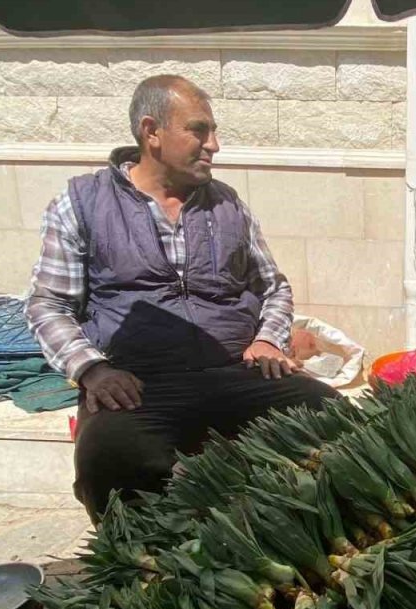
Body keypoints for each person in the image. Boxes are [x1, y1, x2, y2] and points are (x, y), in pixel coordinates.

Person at [26, 75, 339, 521]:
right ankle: (148, 577)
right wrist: (92, 370)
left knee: (336, 422)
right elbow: (48, 304)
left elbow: (272, 285)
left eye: (212, 132)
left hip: (236, 370)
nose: (214, 145)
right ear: (151, 132)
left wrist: (269, 339)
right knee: (112, 464)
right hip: (139, 384)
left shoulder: (226, 203)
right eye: (199, 130)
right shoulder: (81, 203)